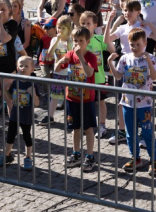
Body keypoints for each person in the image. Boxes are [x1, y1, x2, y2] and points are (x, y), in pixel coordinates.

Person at [108, 28, 156, 176]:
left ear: (145, 43)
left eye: (138, 44)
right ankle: (135, 157)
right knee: (130, 133)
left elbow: (154, 76)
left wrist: (149, 61)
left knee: (147, 132)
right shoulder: (125, 58)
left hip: (145, 104)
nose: (135, 48)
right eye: (132, 44)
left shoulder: (149, 57)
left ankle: (154, 160)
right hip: (127, 102)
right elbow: (118, 76)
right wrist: (110, 63)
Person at [57, 26, 99, 172]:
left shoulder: (91, 57)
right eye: (75, 40)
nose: (78, 43)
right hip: (72, 97)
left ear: (87, 41)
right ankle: (76, 154)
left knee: (88, 128)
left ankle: (90, 156)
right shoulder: (70, 54)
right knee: (75, 128)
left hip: (86, 99)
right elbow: (57, 69)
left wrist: (80, 56)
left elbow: (88, 73)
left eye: (81, 41)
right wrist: (61, 59)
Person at [0, 56, 39, 170]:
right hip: (14, 113)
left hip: (26, 115)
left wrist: (32, 93)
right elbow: (10, 99)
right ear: (17, 67)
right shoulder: (15, 82)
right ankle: (7, 155)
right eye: (21, 66)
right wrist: (4, 90)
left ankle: (28, 157)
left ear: (32, 68)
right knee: (10, 135)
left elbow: (37, 103)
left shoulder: (32, 83)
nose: (23, 68)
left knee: (27, 136)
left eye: (26, 66)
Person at [80, 11, 115, 138]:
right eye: (83, 23)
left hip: (98, 78)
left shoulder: (99, 39)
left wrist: (110, 23)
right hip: (83, 79)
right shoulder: (78, 41)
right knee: (85, 103)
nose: (85, 25)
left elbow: (112, 49)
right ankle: (87, 125)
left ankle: (102, 125)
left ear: (95, 25)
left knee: (100, 102)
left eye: (88, 23)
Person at [41, 15, 72, 125]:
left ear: (69, 29)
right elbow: (49, 52)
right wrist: (57, 39)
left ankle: (70, 117)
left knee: (69, 96)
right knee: (54, 95)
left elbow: (71, 55)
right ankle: (50, 116)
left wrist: (68, 45)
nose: (60, 30)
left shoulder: (71, 40)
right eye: (59, 27)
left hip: (69, 73)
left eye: (63, 28)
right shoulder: (54, 39)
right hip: (58, 72)